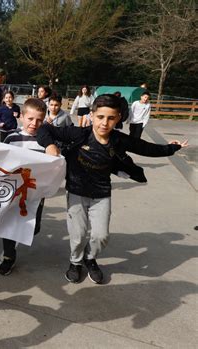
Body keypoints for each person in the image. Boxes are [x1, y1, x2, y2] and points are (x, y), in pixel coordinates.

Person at [37, 94, 187, 284]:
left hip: (101, 194)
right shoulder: (79, 134)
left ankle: (89, 258)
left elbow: (145, 148)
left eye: (110, 118)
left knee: (101, 236)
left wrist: (171, 148)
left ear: (118, 118)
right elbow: (44, 129)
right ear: (92, 115)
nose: (104, 123)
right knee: (78, 235)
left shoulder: (118, 140)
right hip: (76, 190)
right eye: (100, 117)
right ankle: (75, 262)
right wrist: (49, 145)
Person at [0, 98, 50, 275]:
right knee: (9, 222)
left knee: (34, 228)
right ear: (21, 117)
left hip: (36, 193)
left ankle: (21, 235)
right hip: (14, 191)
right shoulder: (12, 138)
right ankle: (8, 256)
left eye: (39, 120)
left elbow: (54, 165)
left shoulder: (46, 142)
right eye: (30, 118)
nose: (34, 124)